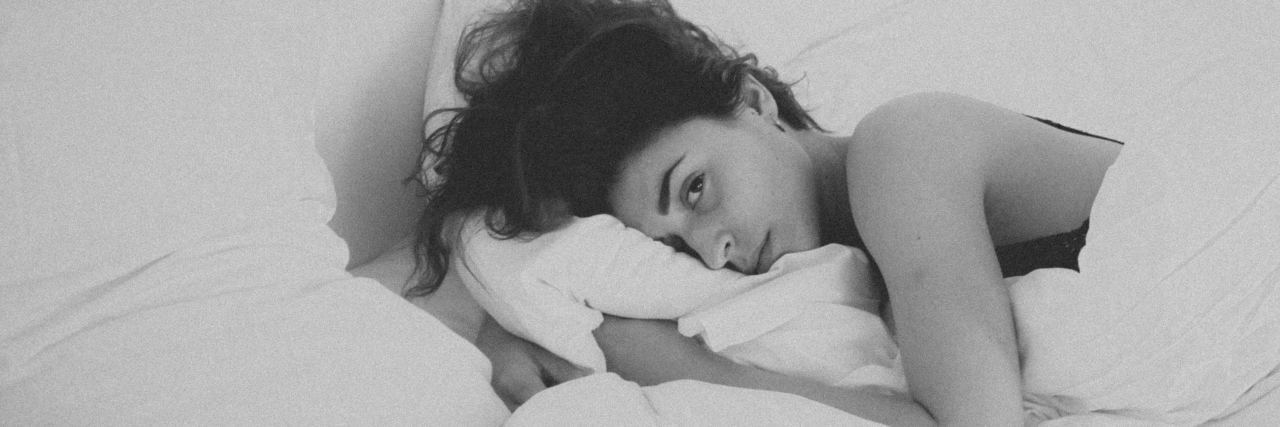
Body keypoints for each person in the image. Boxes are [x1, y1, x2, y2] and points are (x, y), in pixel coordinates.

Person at [404, 0, 1122, 425]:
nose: (715, 253)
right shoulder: (856, 278)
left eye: (693, 190)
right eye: (677, 248)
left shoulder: (902, 151)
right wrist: (516, 323)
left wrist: (671, 364)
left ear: (752, 103)